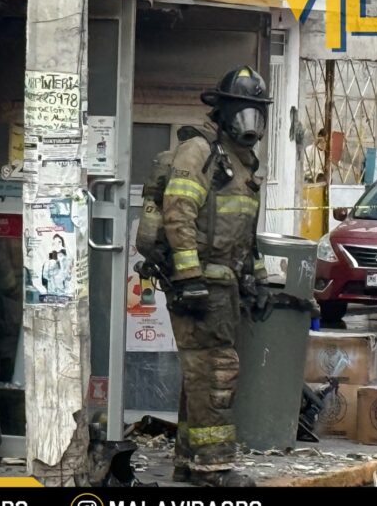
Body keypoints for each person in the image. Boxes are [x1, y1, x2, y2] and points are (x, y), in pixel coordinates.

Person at [162, 65, 271, 488]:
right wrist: (189, 277)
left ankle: (189, 461)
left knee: (203, 373)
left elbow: (245, 233)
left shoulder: (240, 162)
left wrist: (257, 279)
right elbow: (178, 211)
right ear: (221, 111)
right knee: (216, 372)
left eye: (255, 110)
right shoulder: (199, 151)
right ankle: (214, 469)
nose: (249, 120)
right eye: (241, 109)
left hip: (224, 285)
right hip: (201, 284)